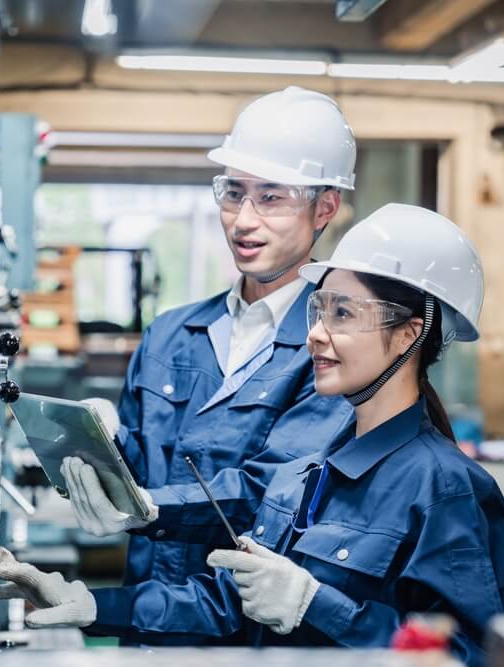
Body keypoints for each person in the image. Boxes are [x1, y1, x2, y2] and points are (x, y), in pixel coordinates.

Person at [0, 204, 504, 665]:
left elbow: (466, 656)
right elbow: (224, 606)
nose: (315, 332)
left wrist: (317, 604)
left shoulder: (445, 488)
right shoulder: (304, 473)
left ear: (410, 332)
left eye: (344, 314)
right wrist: (87, 603)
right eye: (319, 308)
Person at [21, 87, 358, 645]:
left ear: (324, 208)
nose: (243, 221)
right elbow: (143, 464)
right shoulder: (171, 334)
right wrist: (101, 444)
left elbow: (267, 492)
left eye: (271, 197)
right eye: (234, 193)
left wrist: (149, 508)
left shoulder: (330, 349)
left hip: (248, 644)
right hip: (146, 625)